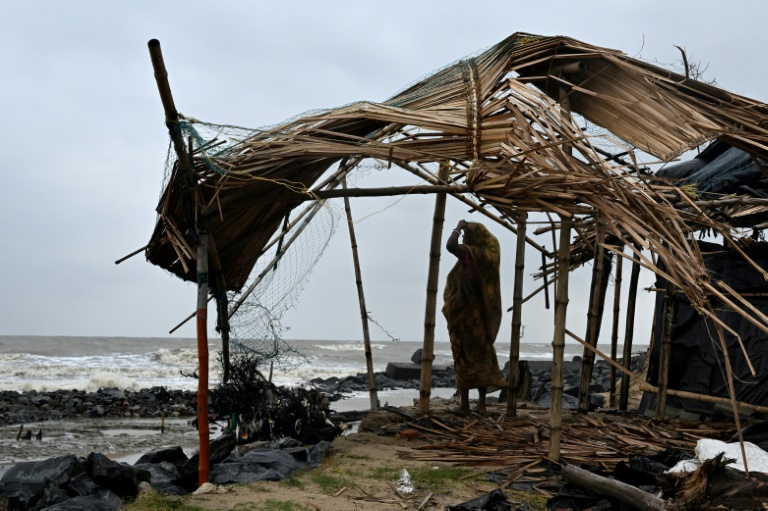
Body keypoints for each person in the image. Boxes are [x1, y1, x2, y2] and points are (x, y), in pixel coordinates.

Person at [442, 219, 508, 416]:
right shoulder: (489, 256)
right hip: (481, 318)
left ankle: (464, 405)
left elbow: (450, 245)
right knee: (481, 358)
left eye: (467, 235)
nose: (465, 238)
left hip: (464, 318)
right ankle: (481, 404)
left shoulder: (472, 255)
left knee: (461, 356)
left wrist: (458, 226)